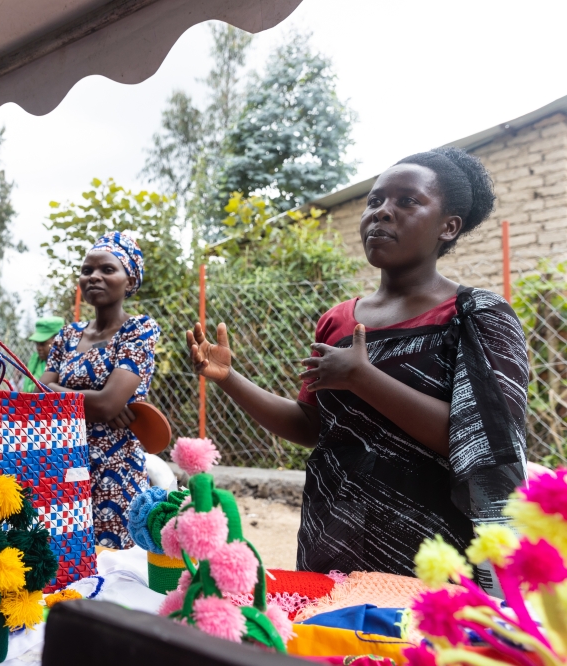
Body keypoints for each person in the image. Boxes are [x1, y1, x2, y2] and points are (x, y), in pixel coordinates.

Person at [187, 147, 528, 582]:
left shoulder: (477, 315)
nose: (382, 213)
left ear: (449, 226)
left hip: (434, 553)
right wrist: (229, 379)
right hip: (331, 535)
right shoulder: (338, 320)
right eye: (375, 201)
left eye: (407, 201)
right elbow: (313, 427)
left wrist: (363, 378)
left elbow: (484, 445)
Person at [40, 233, 161, 548]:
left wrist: (58, 389)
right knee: (62, 563)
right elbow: (38, 397)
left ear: (129, 278)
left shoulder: (138, 331)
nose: (93, 276)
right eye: (87, 270)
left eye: (107, 269)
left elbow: (108, 404)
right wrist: (94, 402)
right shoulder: (67, 335)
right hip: (62, 466)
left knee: (113, 573)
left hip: (115, 476)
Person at [21, 316, 65, 392]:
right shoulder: (36, 361)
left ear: (58, 340)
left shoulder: (65, 364)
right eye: (37, 344)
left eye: (42, 344)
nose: (38, 348)